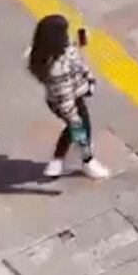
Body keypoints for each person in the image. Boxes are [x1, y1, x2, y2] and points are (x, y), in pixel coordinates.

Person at [27, 15, 109, 179]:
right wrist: (74, 120)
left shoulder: (45, 53)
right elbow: (66, 102)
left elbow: (70, 54)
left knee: (73, 129)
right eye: (65, 32)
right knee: (80, 130)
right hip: (68, 103)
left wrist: (79, 44)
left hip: (60, 100)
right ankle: (88, 162)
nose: (67, 35)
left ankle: (57, 162)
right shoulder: (57, 70)